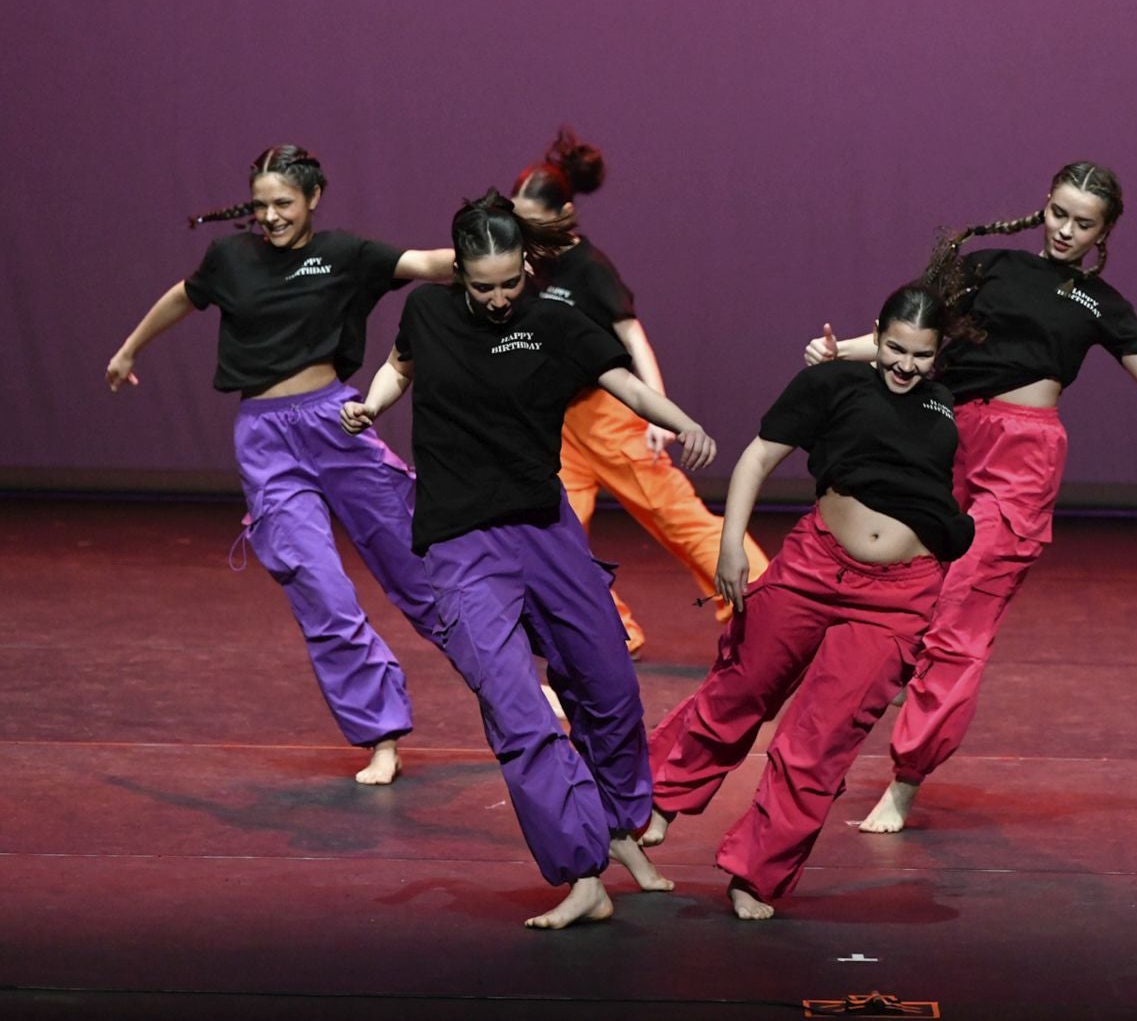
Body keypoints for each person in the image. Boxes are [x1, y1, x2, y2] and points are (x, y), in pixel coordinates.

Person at [340, 191, 714, 929]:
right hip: (459, 543)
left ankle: (619, 825)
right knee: (516, 709)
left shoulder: (551, 319)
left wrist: (680, 420)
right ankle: (582, 872)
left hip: (545, 532)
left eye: (511, 281)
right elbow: (399, 366)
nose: (501, 297)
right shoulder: (428, 313)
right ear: (459, 274)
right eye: (485, 286)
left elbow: (623, 382)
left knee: (607, 684)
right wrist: (370, 404)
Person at [806, 161, 1137, 833]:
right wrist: (837, 351)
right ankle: (827, 747)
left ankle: (905, 777)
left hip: (1022, 454)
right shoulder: (989, 267)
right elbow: (911, 341)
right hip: (942, 434)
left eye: (1083, 222)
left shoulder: (1101, 302)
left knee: (961, 612)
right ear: (1042, 206)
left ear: (1104, 231)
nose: (1065, 230)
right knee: (897, 590)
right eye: (1058, 213)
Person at [105, 144, 453, 785]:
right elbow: (182, 297)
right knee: (318, 589)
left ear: (313, 198)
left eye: (283, 204)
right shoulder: (230, 258)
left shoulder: (345, 253)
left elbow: (429, 263)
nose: (270, 217)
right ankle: (381, 735)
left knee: (414, 563)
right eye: (261, 205)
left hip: (336, 423)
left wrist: (501, 252)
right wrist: (130, 350)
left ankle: (508, 685)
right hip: (265, 440)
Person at [643, 281, 974, 919]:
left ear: (939, 355)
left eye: (921, 356)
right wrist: (730, 546)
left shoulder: (947, 402)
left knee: (818, 742)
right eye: (895, 349)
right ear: (876, 335)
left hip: (899, 594)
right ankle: (659, 796)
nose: (906, 366)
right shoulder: (833, 384)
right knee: (739, 690)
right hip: (815, 564)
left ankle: (755, 873)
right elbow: (757, 457)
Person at [509, 127, 768, 658]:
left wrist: (659, 417)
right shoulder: (528, 261)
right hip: (564, 424)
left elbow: (633, 337)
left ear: (561, 217)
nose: (520, 230)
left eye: (530, 222)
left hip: (611, 415)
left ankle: (769, 611)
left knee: (679, 520)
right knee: (555, 533)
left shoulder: (589, 268)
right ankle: (611, 629)